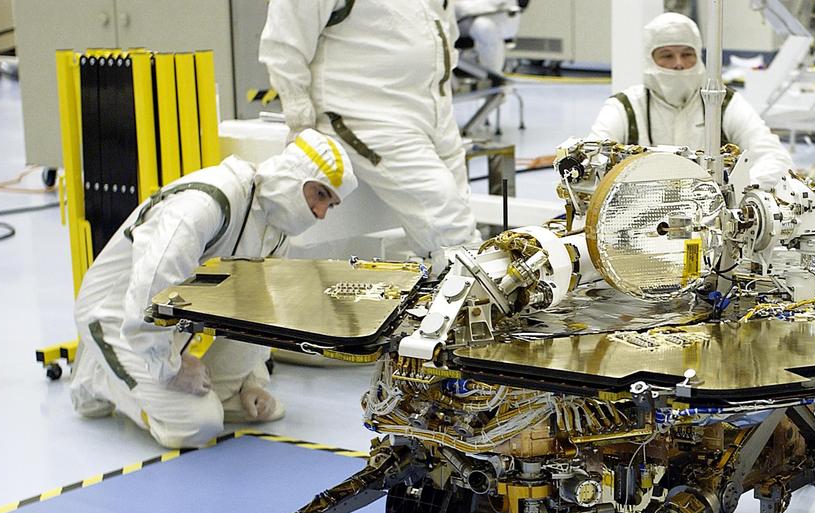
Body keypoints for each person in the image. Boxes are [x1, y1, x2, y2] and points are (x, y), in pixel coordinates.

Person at [70, 130, 358, 449]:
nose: (319, 213)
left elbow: (261, 316)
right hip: (118, 316)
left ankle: (178, 386)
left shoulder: (275, 232)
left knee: (259, 408)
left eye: (329, 205)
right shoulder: (208, 204)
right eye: (318, 194)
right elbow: (148, 292)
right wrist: (170, 368)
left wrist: (251, 381)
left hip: (174, 322)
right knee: (196, 425)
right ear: (293, 175)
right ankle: (98, 376)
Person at [259, 0, 478, 261]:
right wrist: (301, 125)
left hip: (434, 110)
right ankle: (473, 292)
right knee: (445, 217)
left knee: (462, 210)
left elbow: (441, 26)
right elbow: (284, 45)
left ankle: (469, 286)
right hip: (365, 116)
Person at [587, 12, 793, 189]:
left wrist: (735, 195)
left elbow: (774, 157)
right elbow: (590, 160)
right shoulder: (626, 107)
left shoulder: (722, 103)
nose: (679, 64)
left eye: (687, 54)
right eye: (667, 56)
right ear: (650, 59)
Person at [454, 0, 522, 76]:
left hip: (498, 18)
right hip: (454, 20)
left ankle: (493, 75)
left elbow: (500, 4)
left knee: (484, 27)